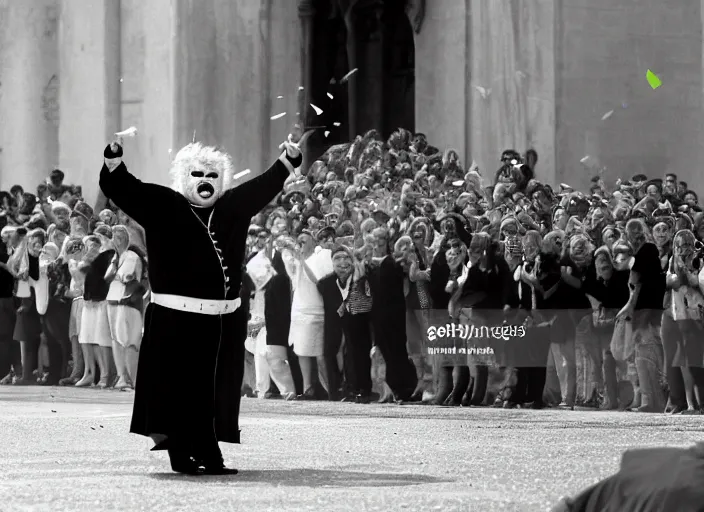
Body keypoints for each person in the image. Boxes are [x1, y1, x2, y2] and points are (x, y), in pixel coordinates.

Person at [98, 133, 302, 476]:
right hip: (174, 320)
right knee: (178, 390)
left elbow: (264, 185)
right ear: (183, 179)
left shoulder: (232, 206)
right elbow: (128, 189)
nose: (205, 182)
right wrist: (114, 162)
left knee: (213, 390)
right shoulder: (164, 204)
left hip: (220, 322)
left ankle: (209, 452)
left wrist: (287, 161)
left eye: (212, 177)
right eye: (198, 176)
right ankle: (180, 453)